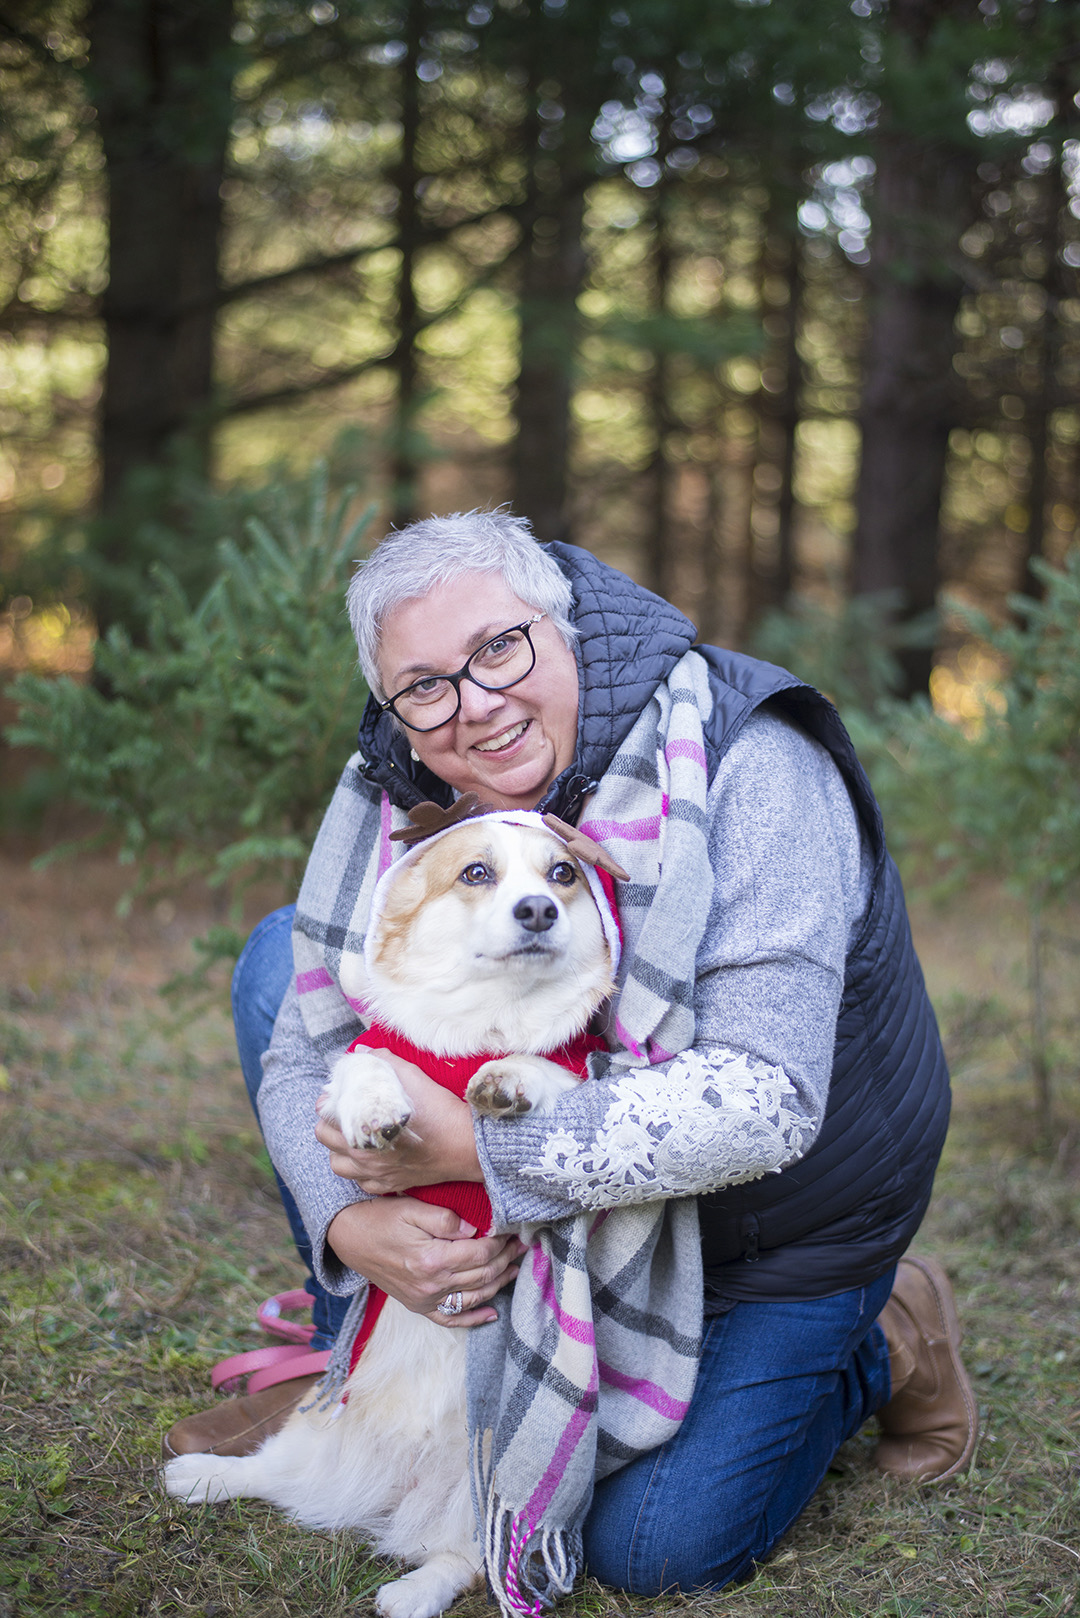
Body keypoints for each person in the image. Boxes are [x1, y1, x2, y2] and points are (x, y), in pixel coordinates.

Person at [164, 512, 977, 1595]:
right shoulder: (405, 771)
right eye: (427, 684)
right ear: (394, 699)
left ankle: (886, 1335)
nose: (477, 706)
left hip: (768, 1225)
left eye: (499, 648)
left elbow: (767, 1099)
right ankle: (366, 1369)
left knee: (654, 1545)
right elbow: (306, 1050)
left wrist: (479, 1147)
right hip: (546, 1157)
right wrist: (351, 1226)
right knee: (290, 963)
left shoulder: (751, 759)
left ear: (566, 627)